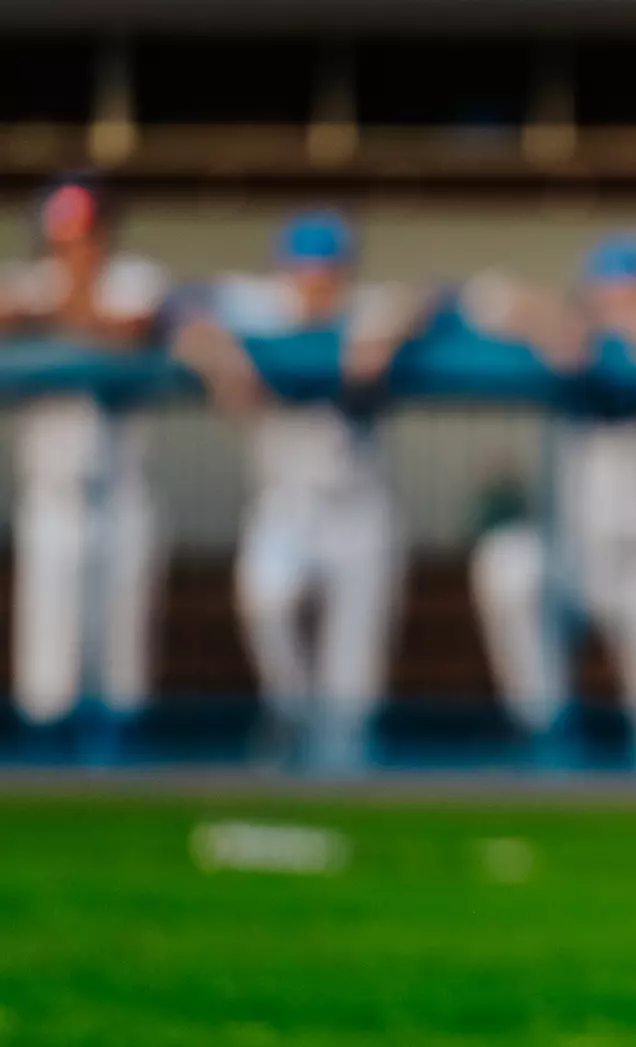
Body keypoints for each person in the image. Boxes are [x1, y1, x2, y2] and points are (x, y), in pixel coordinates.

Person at [171, 211, 426, 773]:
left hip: (361, 509)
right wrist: (221, 359)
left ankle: (342, 765)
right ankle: (291, 719)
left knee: (354, 683)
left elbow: (433, 297)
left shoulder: (368, 309)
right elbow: (178, 307)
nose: (316, 284)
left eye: (328, 271)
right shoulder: (255, 305)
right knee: (268, 599)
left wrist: (387, 335)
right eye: (305, 271)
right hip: (286, 504)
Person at [462, 232, 636, 778]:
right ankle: (546, 720)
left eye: (634, 296)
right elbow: (484, 296)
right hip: (579, 558)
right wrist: (548, 317)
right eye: (607, 297)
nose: (620, 310)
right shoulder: (570, 337)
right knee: (509, 565)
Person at [0, 175, 170, 747]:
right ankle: (50, 752)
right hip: (51, 494)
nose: (77, 250)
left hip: (122, 492)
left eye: (87, 235)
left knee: (121, 648)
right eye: (64, 238)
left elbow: (133, 328)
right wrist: (62, 310)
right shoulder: (27, 281)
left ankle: (116, 753)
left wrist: (49, 315)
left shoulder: (136, 279)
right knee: (49, 650)